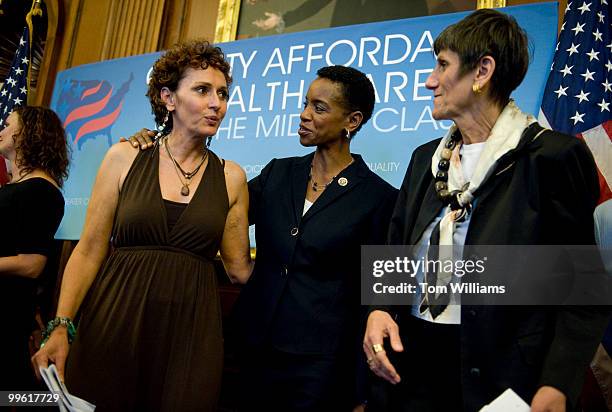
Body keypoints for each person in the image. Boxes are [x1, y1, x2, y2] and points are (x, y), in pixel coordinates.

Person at [362, 9, 611, 412]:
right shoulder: (425, 158)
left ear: (482, 71)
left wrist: (557, 383)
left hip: (502, 378)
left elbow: (583, 289)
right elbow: (395, 250)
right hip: (411, 365)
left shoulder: (551, 157)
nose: (429, 81)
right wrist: (377, 309)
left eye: (442, 66)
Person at [32, 40, 252, 411]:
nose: (217, 103)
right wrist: (61, 326)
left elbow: (239, 269)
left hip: (191, 334)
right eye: (202, 90)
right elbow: (88, 250)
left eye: (223, 93)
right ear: (169, 98)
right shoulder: (124, 156)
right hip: (114, 321)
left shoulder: (232, 177)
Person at [234, 65, 397, 411]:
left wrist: (361, 391)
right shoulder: (278, 172)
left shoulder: (379, 198)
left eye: (319, 108)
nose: (305, 115)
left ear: (352, 121)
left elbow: (379, 296)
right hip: (252, 349)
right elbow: (222, 211)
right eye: (306, 104)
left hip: (321, 368)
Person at [0, 106, 68, 390]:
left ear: (26, 132)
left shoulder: (41, 191)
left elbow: (32, 263)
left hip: (7, 316)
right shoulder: (17, 187)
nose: (1, 130)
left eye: (7, 124)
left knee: (13, 395)